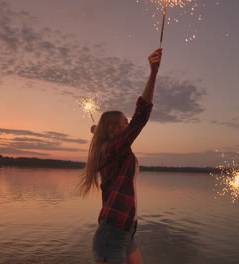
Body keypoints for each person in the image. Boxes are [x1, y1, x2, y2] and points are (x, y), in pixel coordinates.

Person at [78, 48, 162, 264]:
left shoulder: (111, 149)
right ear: (115, 129)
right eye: (124, 122)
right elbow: (141, 116)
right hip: (112, 235)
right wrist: (153, 74)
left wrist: (97, 129)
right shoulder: (112, 148)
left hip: (125, 230)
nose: (128, 125)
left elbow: (104, 134)